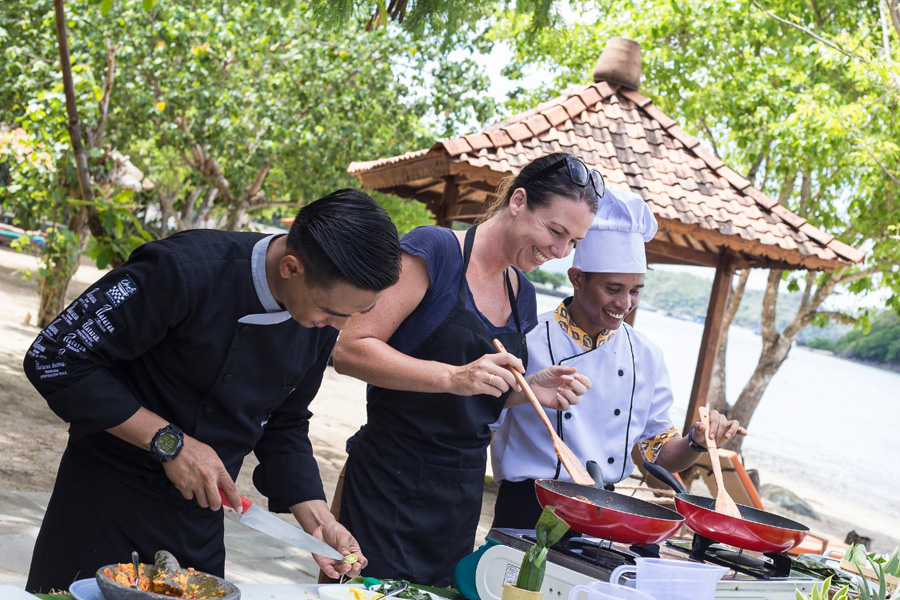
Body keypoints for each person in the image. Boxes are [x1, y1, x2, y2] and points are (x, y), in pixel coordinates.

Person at [23, 189, 401, 593]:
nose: (338, 327)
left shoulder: (318, 318)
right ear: (292, 267)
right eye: (333, 312)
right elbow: (54, 356)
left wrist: (318, 520)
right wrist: (171, 443)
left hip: (197, 519)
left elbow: (285, 421)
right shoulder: (182, 269)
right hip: (102, 501)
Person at [329, 153, 601, 586]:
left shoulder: (523, 296)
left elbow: (480, 390)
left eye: (574, 242)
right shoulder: (435, 251)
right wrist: (452, 377)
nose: (560, 251)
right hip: (387, 480)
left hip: (460, 494)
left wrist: (528, 389)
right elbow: (350, 349)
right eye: (555, 231)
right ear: (518, 201)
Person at [490, 187, 748, 528]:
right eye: (613, 289)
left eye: (635, 290)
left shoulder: (646, 357)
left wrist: (696, 442)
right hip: (527, 506)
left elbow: (660, 451)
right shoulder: (526, 338)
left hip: (604, 515)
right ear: (577, 278)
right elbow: (482, 416)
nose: (625, 303)